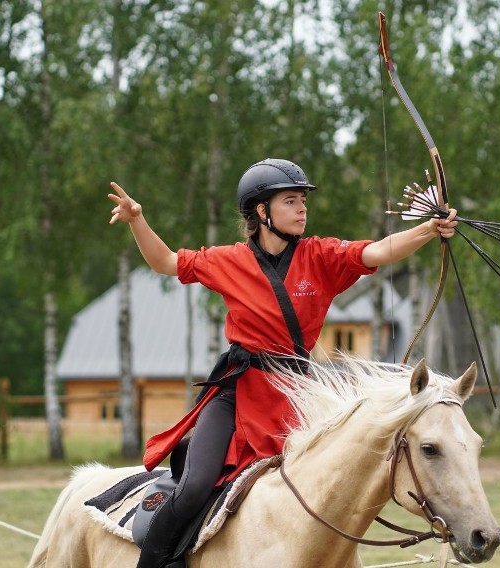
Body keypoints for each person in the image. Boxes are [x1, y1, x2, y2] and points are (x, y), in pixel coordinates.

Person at [107, 158, 457, 568]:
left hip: (299, 399)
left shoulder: (321, 255)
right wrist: (137, 220)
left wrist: (428, 229)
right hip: (237, 394)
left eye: (303, 200)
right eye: (290, 201)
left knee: (332, 488)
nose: (302, 209)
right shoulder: (229, 260)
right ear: (261, 211)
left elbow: (377, 250)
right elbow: (165, 262)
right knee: (196, 484)